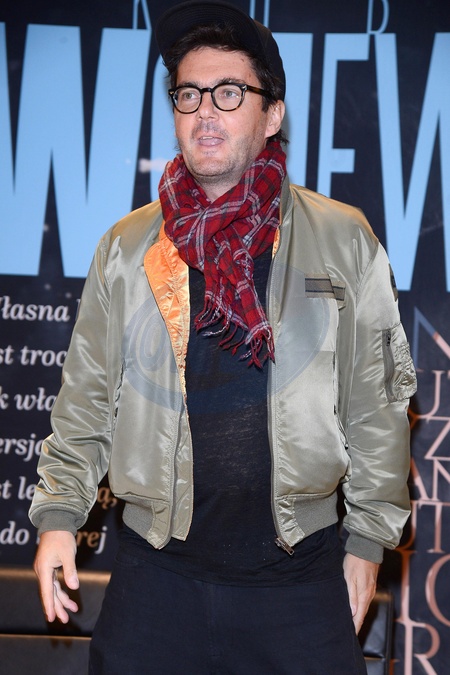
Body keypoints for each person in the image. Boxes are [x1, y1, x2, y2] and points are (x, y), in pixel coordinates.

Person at [29, 1, 417, 673]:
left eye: (229, 92)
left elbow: (377, 405)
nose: (204, 111)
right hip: (155, 583)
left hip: (299, 586)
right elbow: (85, 401)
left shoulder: (343, 239)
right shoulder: (126, 247)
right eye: (189, 94)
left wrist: (367, 542)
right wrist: (59, 516)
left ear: (272, 115)